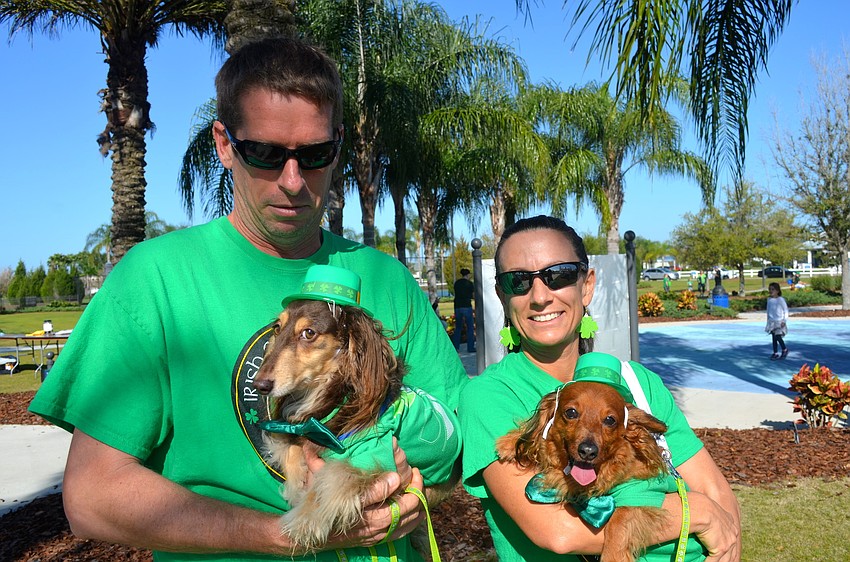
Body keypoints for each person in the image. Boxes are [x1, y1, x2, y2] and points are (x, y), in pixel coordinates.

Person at [29, 36, 467, 562]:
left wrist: (413, 499)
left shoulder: (387, 279)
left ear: (338, 147)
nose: (291, 180)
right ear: (223, 143)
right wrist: (284, 534)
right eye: (263, 153)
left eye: (314, 155)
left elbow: (460, 448)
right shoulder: (154, 279)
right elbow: (93, 497)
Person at [457, 215, 741, 562]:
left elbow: (715, 491)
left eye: (558, 275)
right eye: (519, 281)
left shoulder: (638, 382)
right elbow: (559, 532)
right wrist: (697, 513)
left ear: (586, 285)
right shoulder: (488, 396)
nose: (540, 296)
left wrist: (723, 533)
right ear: (502, 295)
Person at [452, 267, 476, 352]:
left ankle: (456, 347)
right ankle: (470, 347)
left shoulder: (457, 283)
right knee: (470, 327)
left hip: (457, 306)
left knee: (458, 327)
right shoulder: (469, 283)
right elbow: (473, 295)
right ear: (468, 274)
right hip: (466, 306)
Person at [765, 282, 789, 360]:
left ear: (777, 291)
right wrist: (768, 321)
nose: (771, 291)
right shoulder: (769, 300)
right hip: (772, 321)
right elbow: (768, 311)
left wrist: (784, 321)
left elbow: (786, 310)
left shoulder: (780, 300)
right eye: (770, 289)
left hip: (779, 321)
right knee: (774, 338)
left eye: (773, 289)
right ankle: (775, 352)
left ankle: (784, 349)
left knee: (778, 336)